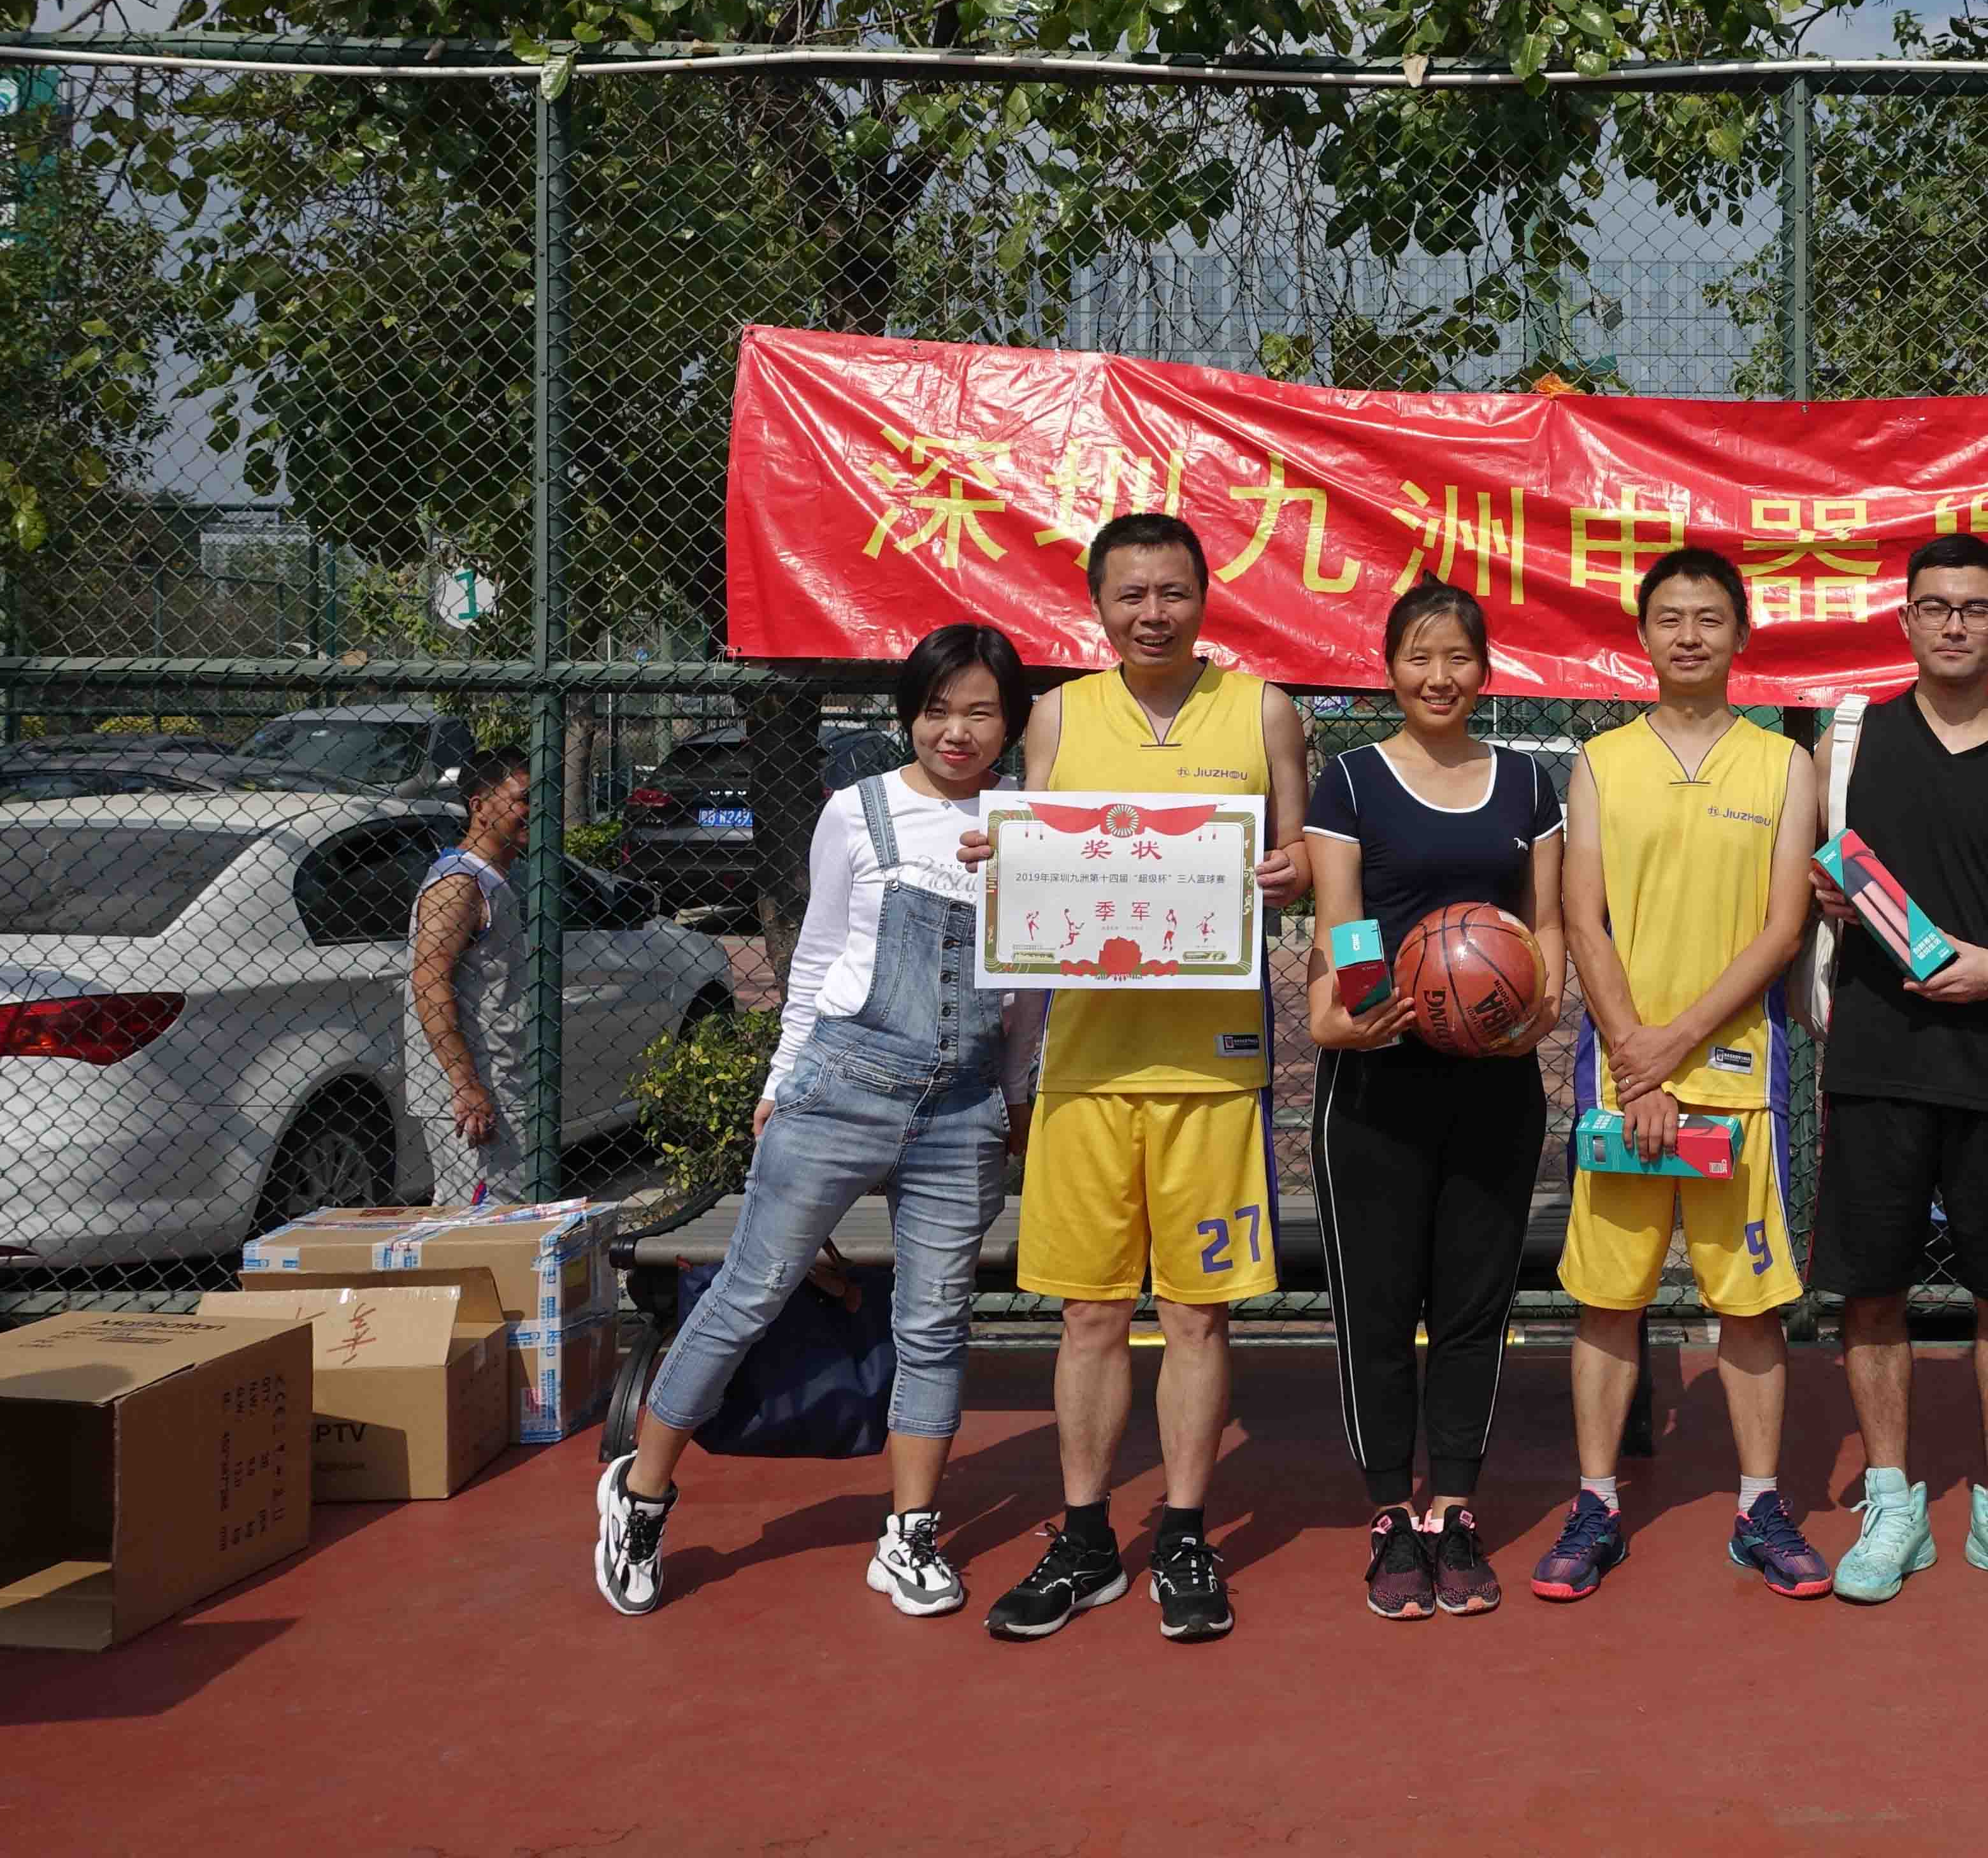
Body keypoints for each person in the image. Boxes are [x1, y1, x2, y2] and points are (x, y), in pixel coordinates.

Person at [595, 626, 1039, 1618]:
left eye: (980, 711)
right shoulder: (857, 809)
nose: (957, 731)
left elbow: (1033, 987)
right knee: (749, 1293)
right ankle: (640, 1493)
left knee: (934, 1324)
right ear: (908, 715)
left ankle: (909, 1535)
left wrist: (1013, 1095)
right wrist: (781, 1081)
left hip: (964, 1107)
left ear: (1010, 723)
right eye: (937, 709)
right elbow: (817, 956)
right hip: (840, 1085)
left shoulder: (1029, 825)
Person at [977, 512, 1311, 1645]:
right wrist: (1004, 866)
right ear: (1097, 604)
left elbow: (1305, 857)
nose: (1153, 613)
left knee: (1196, 1313)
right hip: (1086, 1064)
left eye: (1173, 591)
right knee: (1088, 1311)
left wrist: (1288, 871)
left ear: (1205, 597)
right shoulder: (1058, 714)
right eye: (1130, 595)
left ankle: (1183, 1532)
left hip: (1212, 1066)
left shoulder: (1262, 709)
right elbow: (1029, 866)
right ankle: (1084, 1537)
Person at [1536, 547, 1827, 1602]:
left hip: (1739, 1078)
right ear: (1644, 634)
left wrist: (1675, 1044)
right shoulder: (1601, 762)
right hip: (1626, 1079)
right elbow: (1583, 919)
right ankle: (1596, 1502)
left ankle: (1759, 1505)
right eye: (1671, 617)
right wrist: (1638, 1062)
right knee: (1607, 1300)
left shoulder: (1785, 765)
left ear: (1741, 634)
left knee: (1748, 1307)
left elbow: (1783, 928)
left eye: (1710, 616)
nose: (1690, 634)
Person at [1811, 530, 1988, 1608]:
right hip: (1874, 1056)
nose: (1954, 624)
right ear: (1907, 619)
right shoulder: (1849, 742)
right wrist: (1822, 893)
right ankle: (1893, 1501)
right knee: (1872, 1288)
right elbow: (1808, 875)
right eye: (1935, 606)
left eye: (1975, 608)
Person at [1305, 580, 1569, 1621]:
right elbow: (1343, 921)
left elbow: (1545, 923)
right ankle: (1387, 1514)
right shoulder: (1351, 780)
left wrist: (1541, 1006)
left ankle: (1454, 1506)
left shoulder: (1527, 782)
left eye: (1458, 656)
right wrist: (1359, 1008)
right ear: (1389, 669)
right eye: (1419, 656)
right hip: (1378, 1078)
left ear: (1485, 669)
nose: (1439, 675)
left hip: (1494, 1077)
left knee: (1471, 1306)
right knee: (1376, 1308)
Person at [406, 747, 537, 1208]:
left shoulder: (494, 880)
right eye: (525, 799)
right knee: (483, 1223)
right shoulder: (459, 884)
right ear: (479, 806)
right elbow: (429, 981)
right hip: (477, 1096)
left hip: (501, 1082)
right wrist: (465, 1084)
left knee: (505, 1218)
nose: (536, 811)